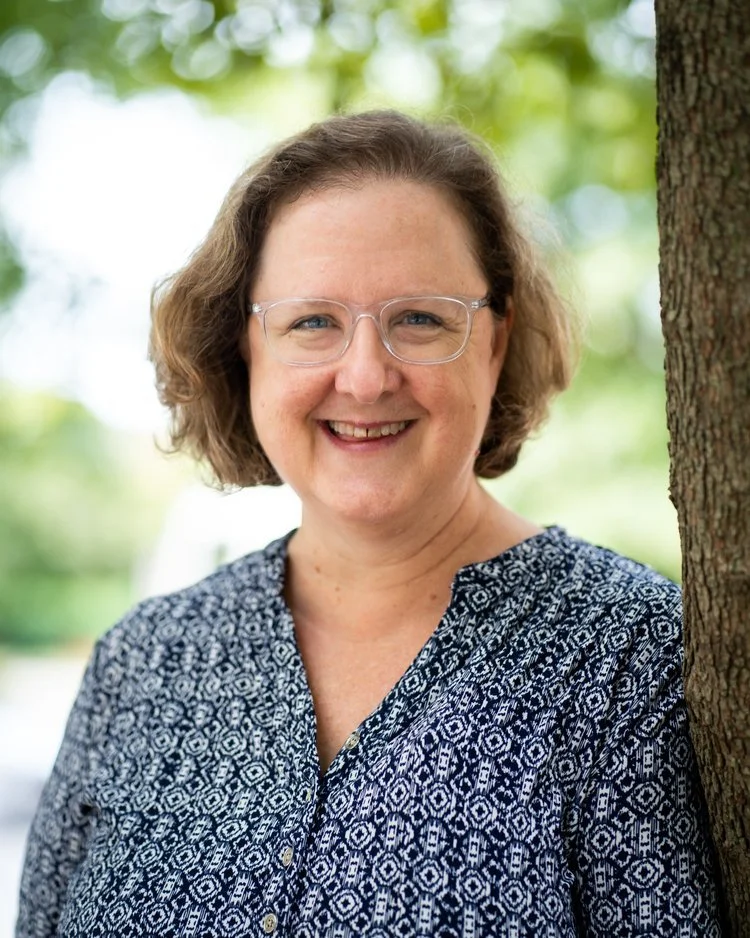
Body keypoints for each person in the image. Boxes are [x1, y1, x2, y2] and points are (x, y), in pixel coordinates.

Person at [16, 110, 722, 937]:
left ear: (494, 343)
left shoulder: (628, 657)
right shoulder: (141, 664)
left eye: (419, 318)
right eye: (311, 321)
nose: (363, 375)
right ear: (244, 350)